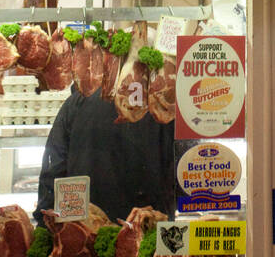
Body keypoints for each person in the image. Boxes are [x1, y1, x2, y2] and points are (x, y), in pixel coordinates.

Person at [35, 88, 175, 225]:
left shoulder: (75, 104)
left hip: (86, 234)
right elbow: (179, 176)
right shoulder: (162, 107)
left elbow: (53, 171)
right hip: (145, 232)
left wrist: (46, 223)